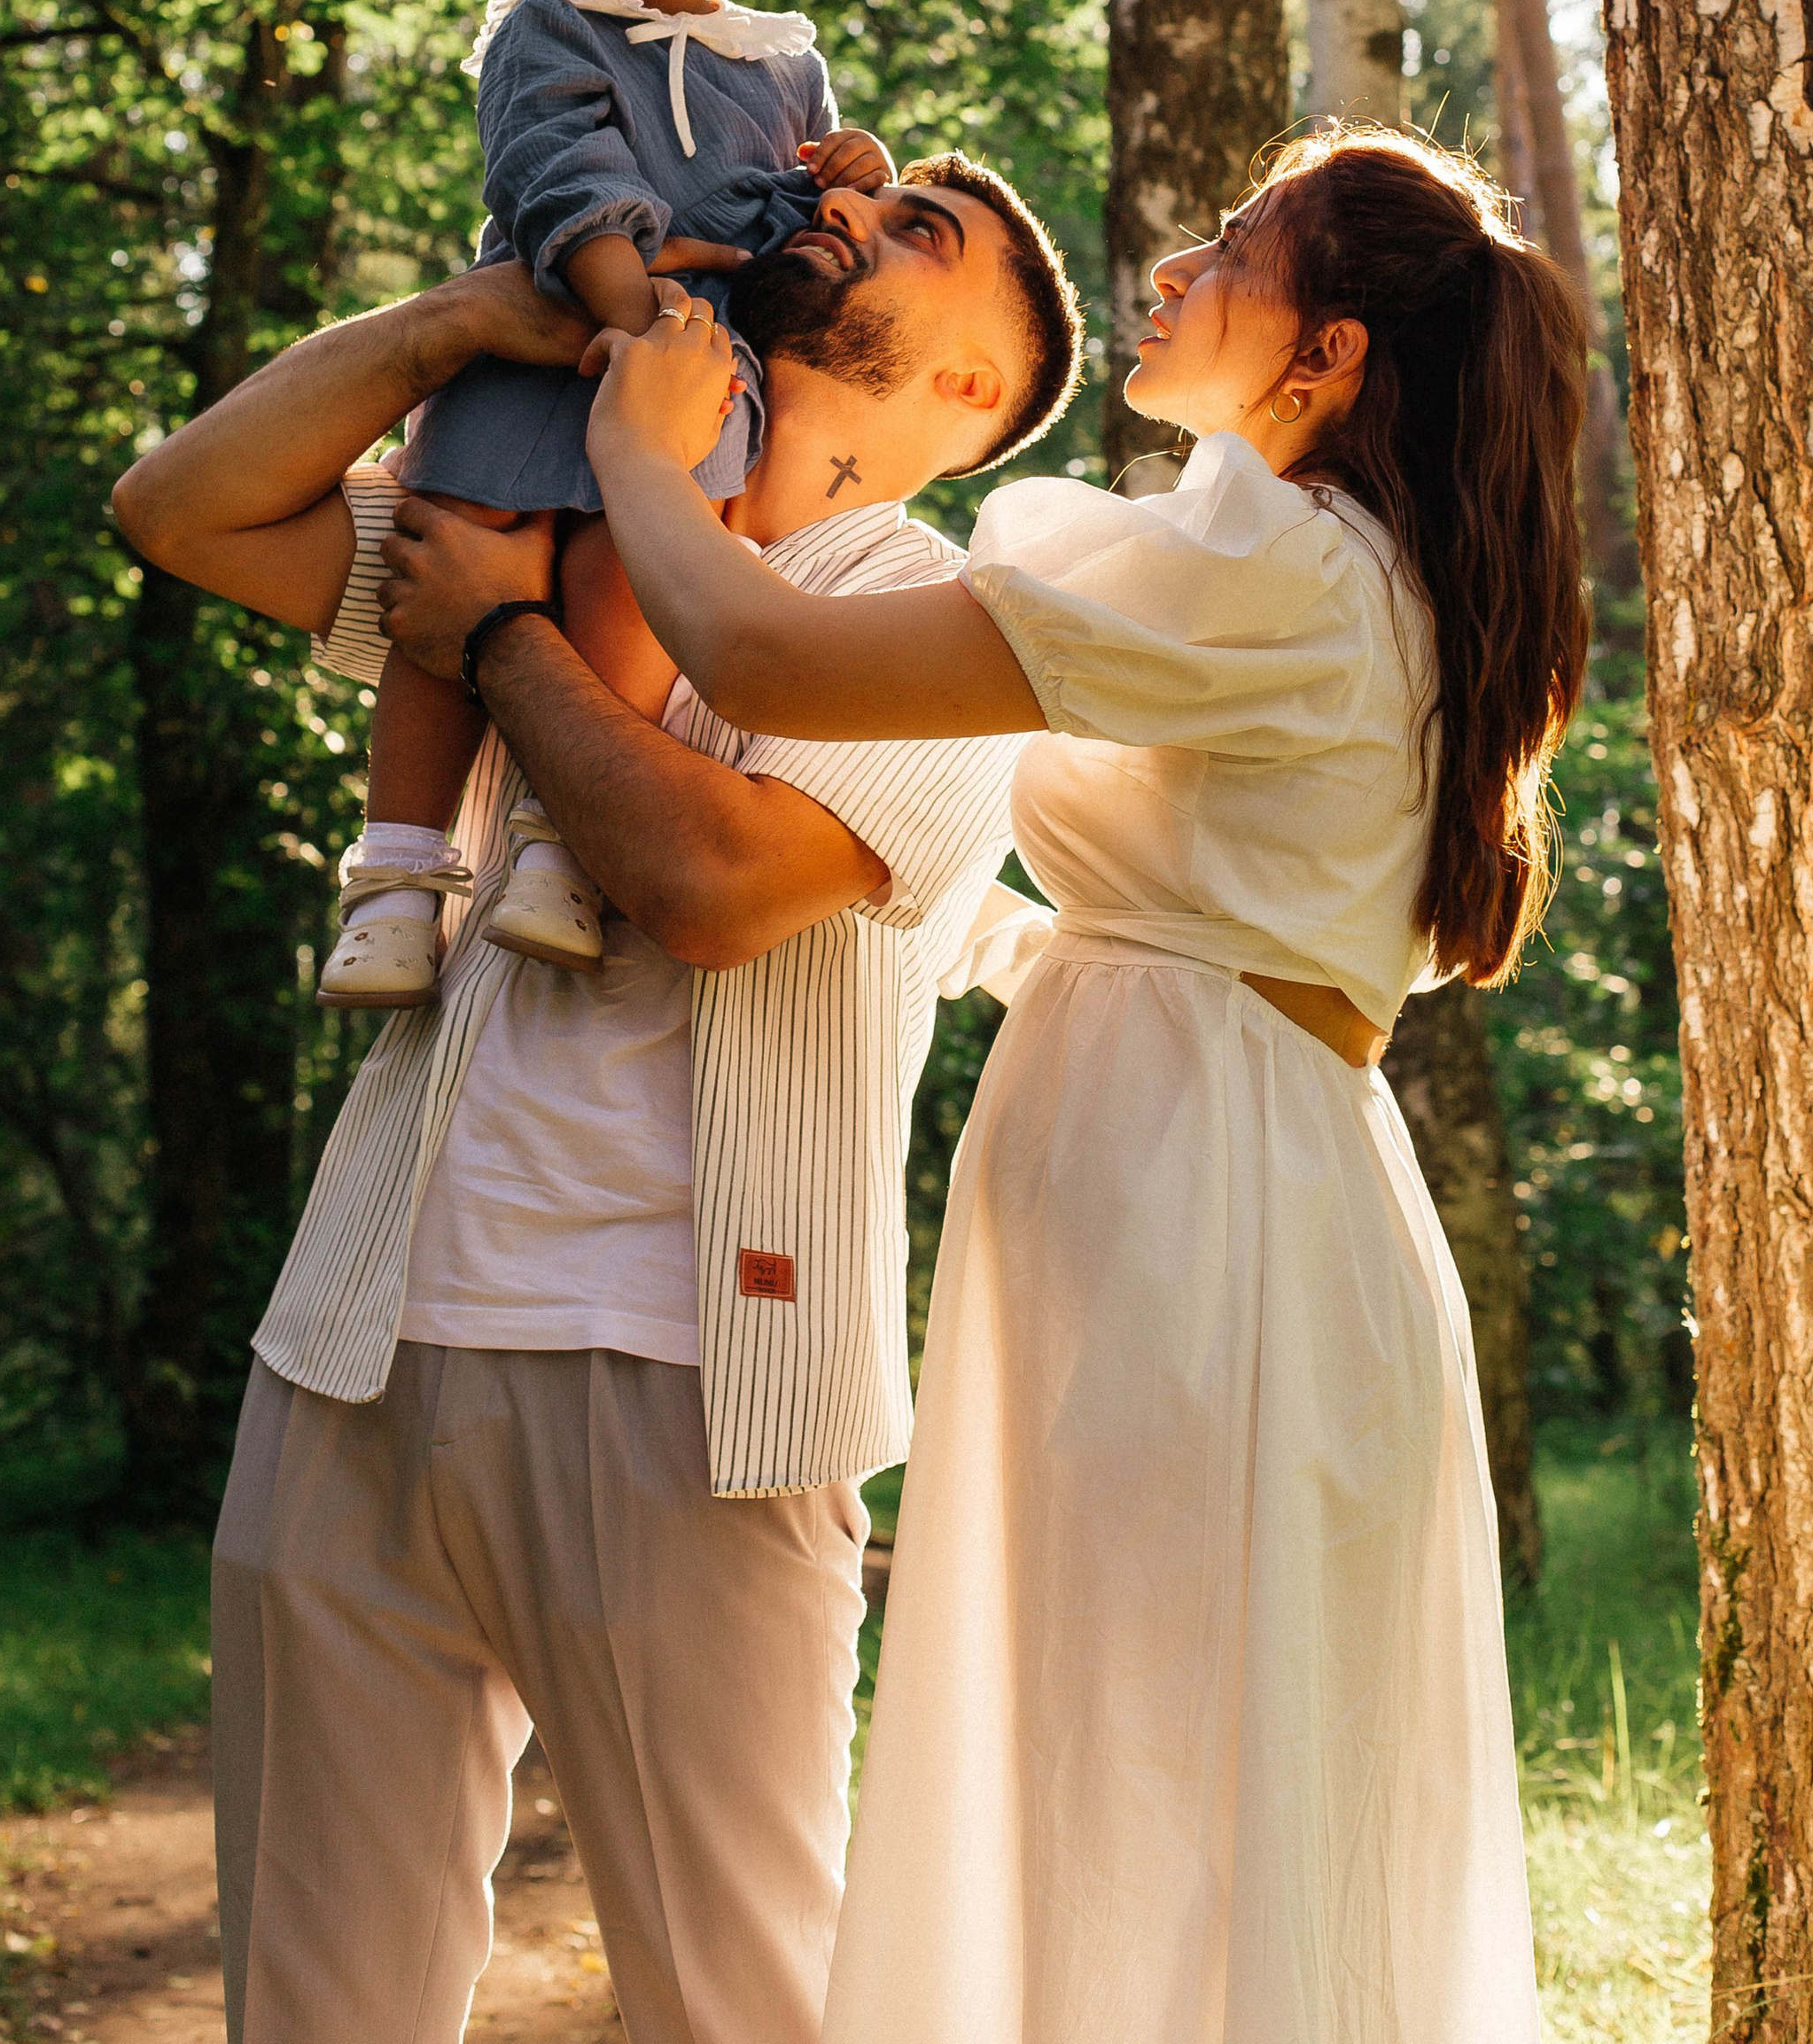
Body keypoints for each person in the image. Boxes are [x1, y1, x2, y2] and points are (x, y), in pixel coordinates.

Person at [579, 124, 1589, 2044]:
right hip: (1207, 1173)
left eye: (1234, 247)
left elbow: (762, 652)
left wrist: (633, 448)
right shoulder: (1287, 568)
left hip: (1207, 1226)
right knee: (1137, 1773)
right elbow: (1193, 919)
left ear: (1328, 357)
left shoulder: (1285, 566)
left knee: (1154, 1782)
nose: (1175, 264)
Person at [107, 157, 1082, 2044]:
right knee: (315, 2007)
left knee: (742, 2007)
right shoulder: (529, 517)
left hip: (696, 1392)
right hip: (356, 1348)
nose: (857, 218)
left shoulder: (949, 631)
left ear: (967, 395)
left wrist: (494, 643)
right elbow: (183, 507)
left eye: (919, 240)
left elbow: (709, 890)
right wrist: (462, 325)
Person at [327, 0, 894, 1006]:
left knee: (627, 574)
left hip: (694, 372)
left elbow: (799, 222)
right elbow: (556, 168)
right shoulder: (545, 27)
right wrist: (626, 306)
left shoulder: (782, 63)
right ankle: (398, 877)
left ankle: (559, 847)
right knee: (462, 559)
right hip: (546, 348)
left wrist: (848, 177)